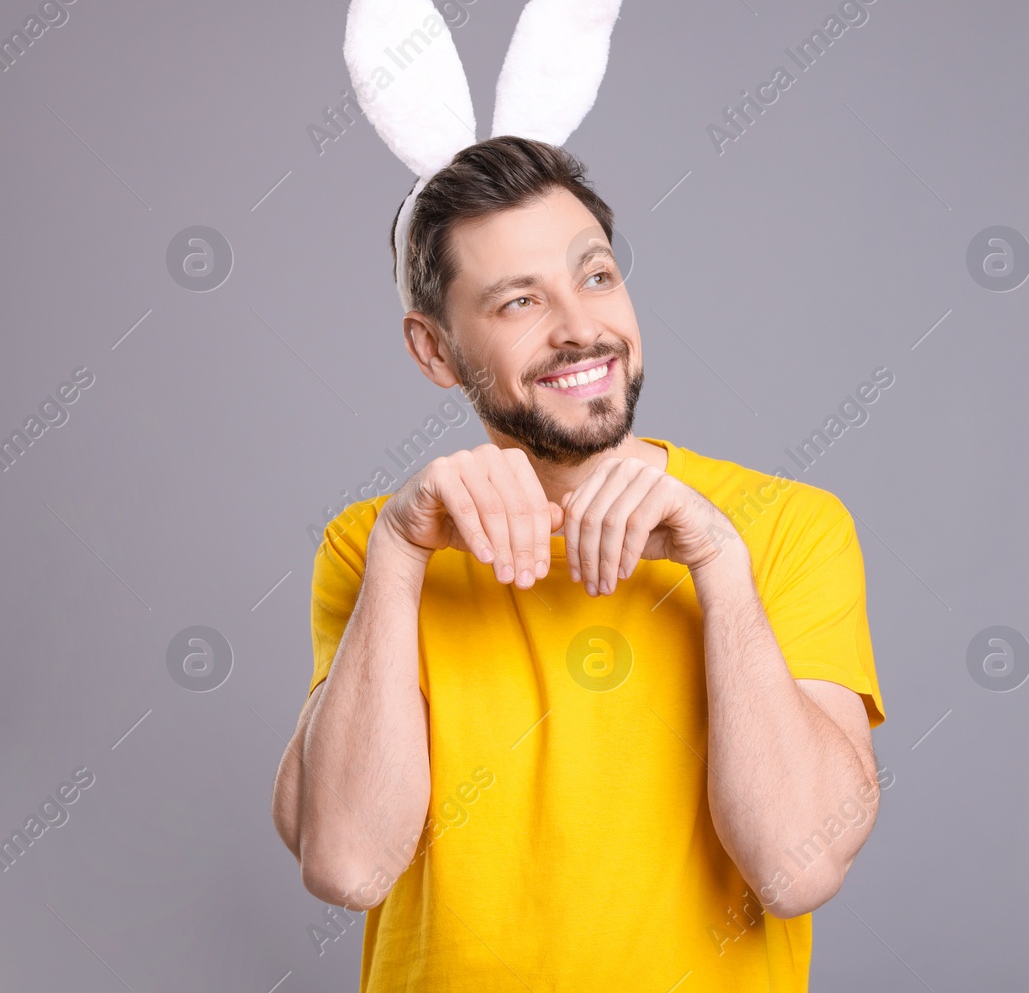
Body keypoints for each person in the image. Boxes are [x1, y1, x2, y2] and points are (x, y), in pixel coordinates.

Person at [269, 135, 888, 991]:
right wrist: (401, 555)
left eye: (596, 276)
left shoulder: (786, 528)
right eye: (519, 301)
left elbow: (797, 868)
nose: (581, 328)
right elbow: (347, 866)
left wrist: (717, 563)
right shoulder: (374, 545)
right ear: (435, 350)